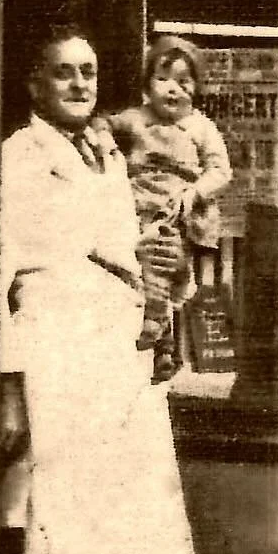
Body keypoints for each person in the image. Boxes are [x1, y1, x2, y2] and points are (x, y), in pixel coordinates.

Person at [0, 22, 197, 554]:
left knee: (127, 532)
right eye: (63, 73)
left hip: (116, 346)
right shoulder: (19, 157)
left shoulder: (108, 153)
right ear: (35, 85)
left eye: (87, 72)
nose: (79, 85)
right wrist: (8, 384)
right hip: (58, 343)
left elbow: (119, 252)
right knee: (61, 527)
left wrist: (165, 272)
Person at [108, 35, 233, 381]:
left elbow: (221, 171)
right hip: (136, 206)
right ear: (148, 85)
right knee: (138, 269)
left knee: (162, 263)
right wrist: (102, 139)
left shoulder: (200, 127)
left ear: (196, 87)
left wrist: (194, 193)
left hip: (175, 212)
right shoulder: (136, 118)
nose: (173, 89)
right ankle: (163, 344)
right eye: (163, 79)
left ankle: (157, 329)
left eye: (183, 81)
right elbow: (106, 124)